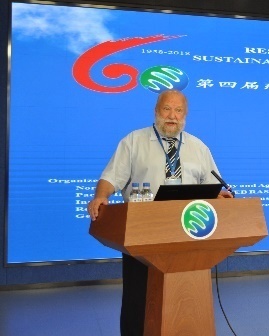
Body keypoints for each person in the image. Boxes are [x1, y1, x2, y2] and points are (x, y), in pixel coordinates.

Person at [87, 89, 232, 336]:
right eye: (167, 109)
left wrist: (219, 197)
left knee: (186, 298)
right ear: (156, 111)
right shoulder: (134, 141)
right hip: (143, 233)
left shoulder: (198, 147)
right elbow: (110, 177)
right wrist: (101, 195)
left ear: (185, 115)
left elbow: (212, 185)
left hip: (188, 235)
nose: (172, 116)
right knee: (138, 300)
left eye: (178, 110)